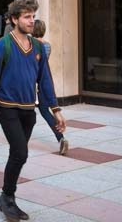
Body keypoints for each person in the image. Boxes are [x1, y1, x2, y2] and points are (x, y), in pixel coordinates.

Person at [0, 0, 66, 222]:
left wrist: (56, 110)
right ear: (14, 19)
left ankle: (6, 195)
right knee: (20, 152)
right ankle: (7, 197)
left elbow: (45, 80)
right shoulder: (1, 46)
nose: (31, 21)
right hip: (6, 107)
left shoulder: (37, 47)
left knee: (18, 154)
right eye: (27, 17)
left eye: (33, 17)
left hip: (28, 111)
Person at [33, 19, 69, 156]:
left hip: (31, 83)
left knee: (23, 110)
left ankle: (20, 139)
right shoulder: (47, 45)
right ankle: (61, 138)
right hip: (43, 81)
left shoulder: (31, 45)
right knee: (45, 112)